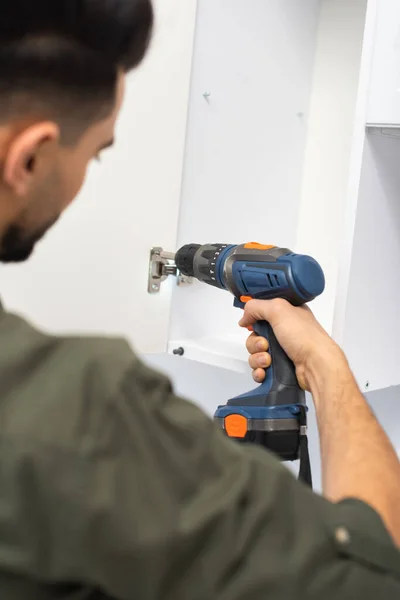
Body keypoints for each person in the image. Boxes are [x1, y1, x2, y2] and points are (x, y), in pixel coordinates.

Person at [0, 1, 398, 598]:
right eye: (98, 152)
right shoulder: (83, 408)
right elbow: (373, 569)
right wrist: (323, 361)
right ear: (28, 158)